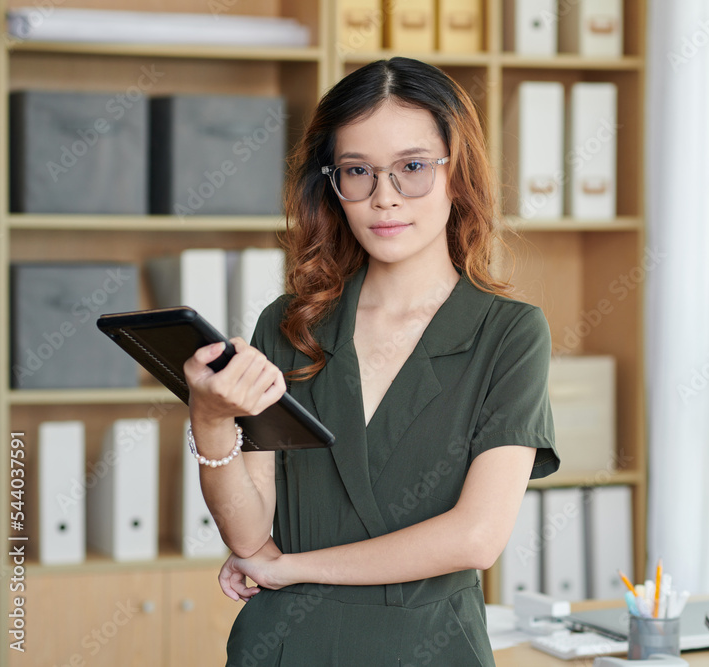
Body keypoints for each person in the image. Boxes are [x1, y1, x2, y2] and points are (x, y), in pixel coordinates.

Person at [183, 57, 560, 666]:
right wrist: (209, 417)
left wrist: (291, 568)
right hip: (285, 646)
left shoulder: (508, 334)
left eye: (412, 168)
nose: (384, 199)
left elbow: (475, 537)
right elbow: (250, 534)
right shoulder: (290, 324)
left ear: (457, 176)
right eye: (358, 172)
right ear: (332, 185)